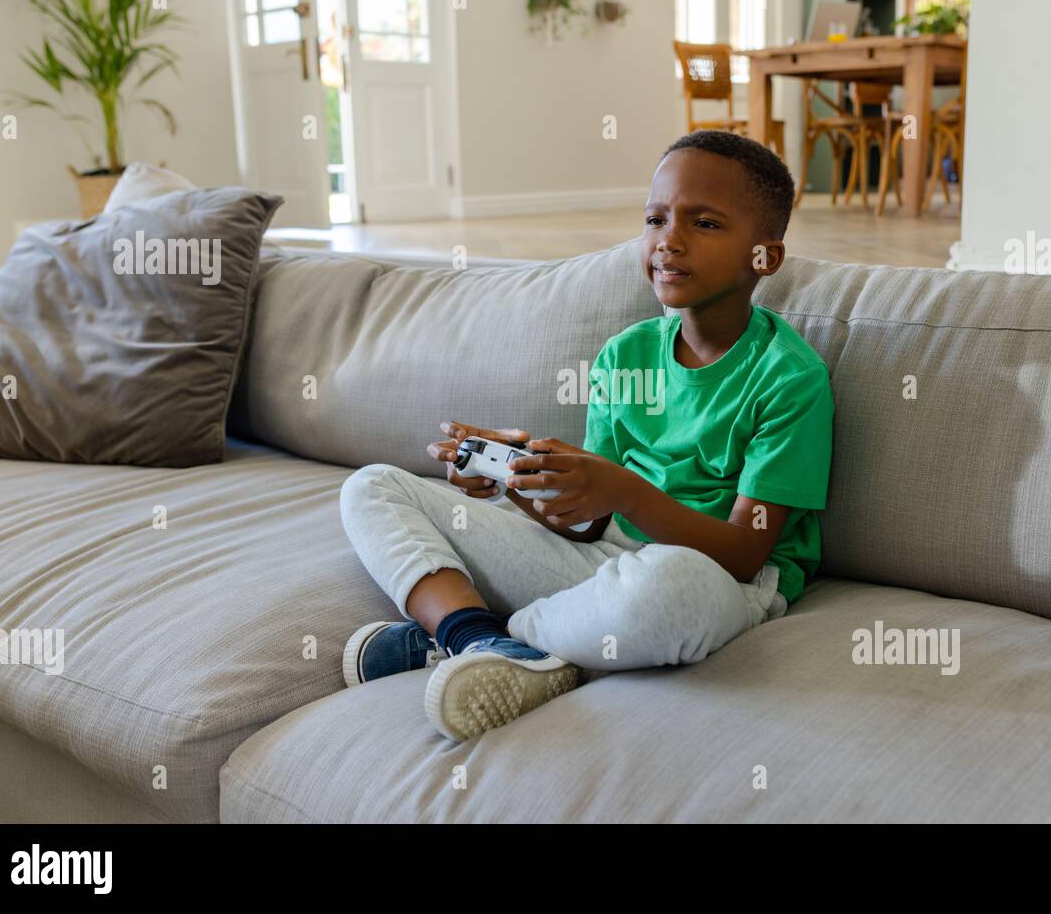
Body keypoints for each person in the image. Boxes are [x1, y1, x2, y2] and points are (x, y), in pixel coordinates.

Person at [339, 130, 834, 743]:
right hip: (599, 564)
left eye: (703, 224)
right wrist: (521, 484)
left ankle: (480, 637)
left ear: (764, 257)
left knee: (668, 592)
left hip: (720, 581)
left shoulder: (791, 377)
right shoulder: (623, 356)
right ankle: (485, 640)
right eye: (655, 218)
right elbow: (587, 526)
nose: (667, 241)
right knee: (373, 488)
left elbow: (745, 552)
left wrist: (622, 491)